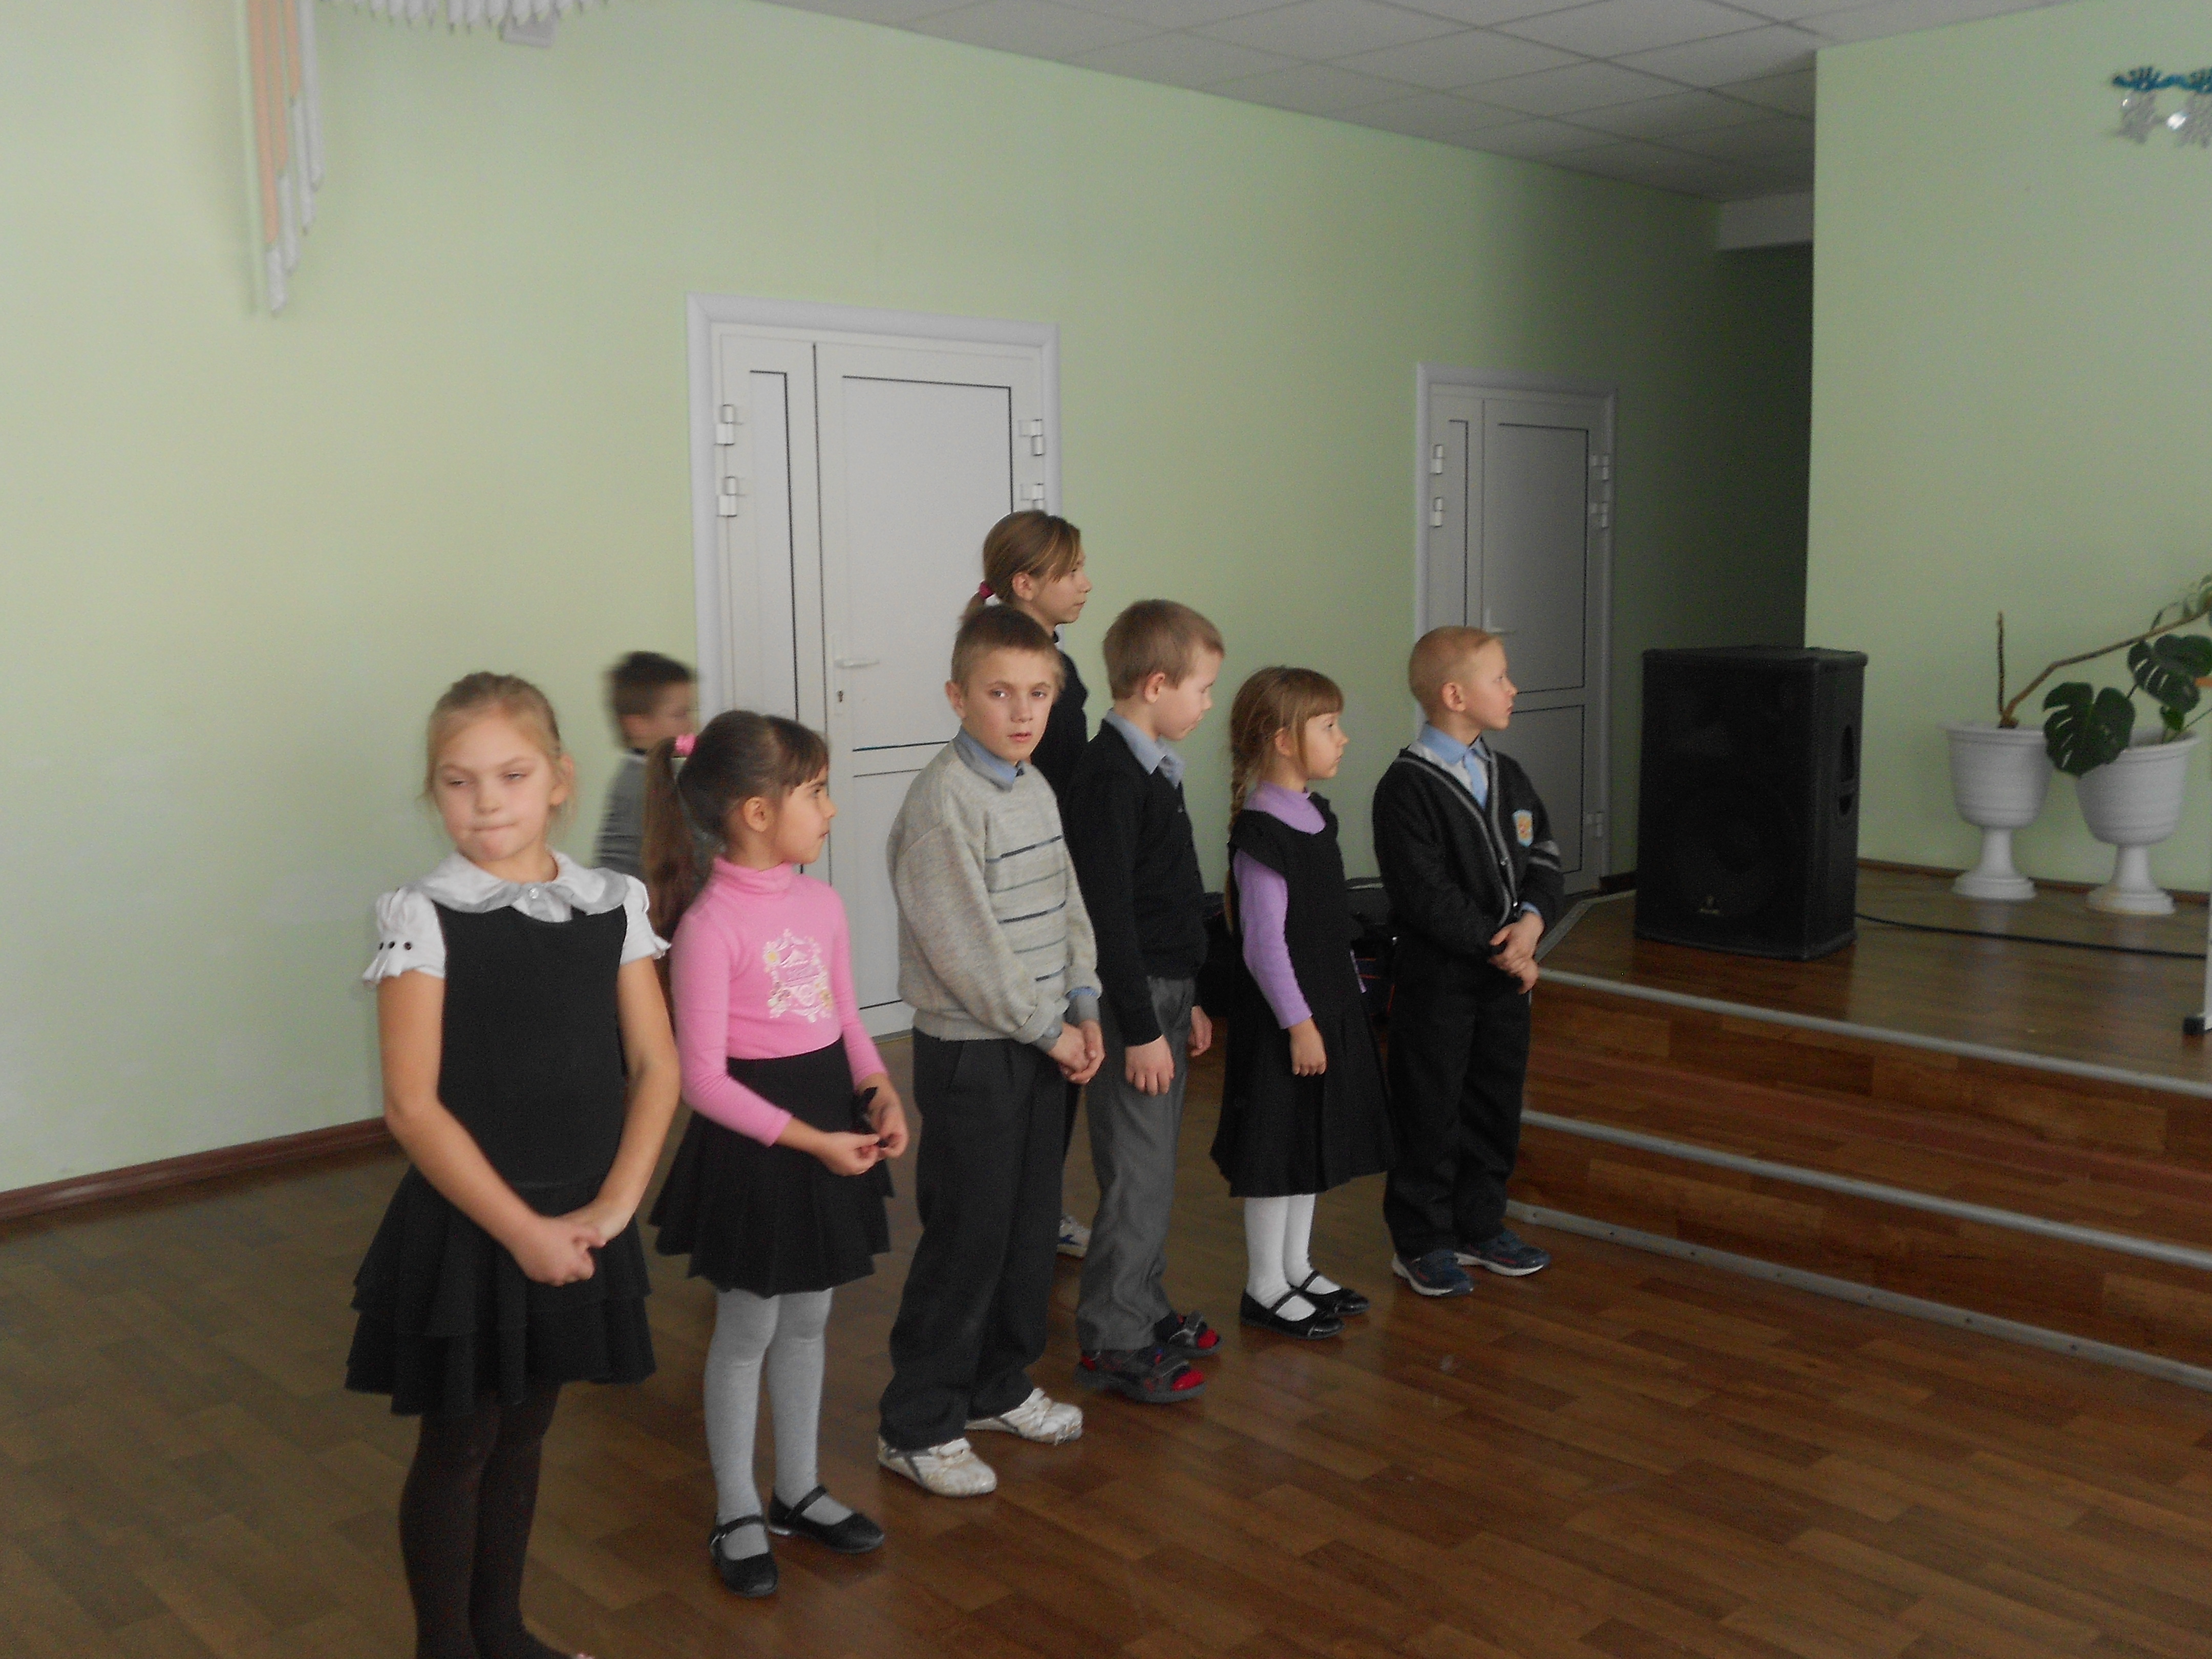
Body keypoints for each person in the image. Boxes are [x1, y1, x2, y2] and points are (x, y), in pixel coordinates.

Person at [350, 672, 680, 1659]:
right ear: (434, 791)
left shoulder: (612, 903)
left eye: (511, 775)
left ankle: (502, 1634)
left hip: (580, 1219)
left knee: (527, 1432)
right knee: (462, 1444)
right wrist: (524, 1233)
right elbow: (412, 1107)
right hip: (476, 1226)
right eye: (458, 782)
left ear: (559, 781)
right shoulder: (424, 916)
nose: (486, 802)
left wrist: (614, 1206)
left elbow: (657, 1066)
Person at [640, 712, 909, 1598]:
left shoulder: (820, 904)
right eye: (816, 793)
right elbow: (701, 1080)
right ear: (757, 813)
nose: (830, 810)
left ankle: (797, 1489)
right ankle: (736, 1509)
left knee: (809, 1319)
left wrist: (878, 1087)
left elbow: (845, 1020)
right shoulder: (710, 926)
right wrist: (813, 1141)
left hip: (828, 1123)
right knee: (748, 1328)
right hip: (759, 1149)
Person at [876, 604, 1104, 1496]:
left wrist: (1083, 1003)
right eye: (1000, 692)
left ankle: (996, 1388)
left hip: (1046, 1041)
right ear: (957, 696)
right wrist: (1051, 1029)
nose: (1022, 711)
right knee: (968, 1239)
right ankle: (917, 1423)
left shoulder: (1032, 784)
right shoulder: (943, 805)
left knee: (1026, 1229)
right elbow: (968, 953)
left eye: (1039, 693)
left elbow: (1069, 903)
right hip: (977, 1053)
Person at [1065, 601, 1226, 1403]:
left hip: (1166, 995)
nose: (1208, 704)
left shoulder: (1156, 767)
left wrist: (1188, 999)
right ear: (1157, 684)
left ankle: (1144, 1303)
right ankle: (1113, 1338)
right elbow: (1110, 918)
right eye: (1202, 688)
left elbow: (1168, 898)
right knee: (1134, 1173)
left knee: (1156, 1169)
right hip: (1134, 1007)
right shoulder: (1109, 778)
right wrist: (1139, 1027)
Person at [1373, 627, 1564, 1296]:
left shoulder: (1508, 774)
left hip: (1504, 986)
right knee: (1431, 1109)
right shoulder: (1406, 788)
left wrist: (1533, 922)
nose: (1514, 689)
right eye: (1500, 678)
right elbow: (1427, 895)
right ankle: (1422, 1241)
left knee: (1494, 1104)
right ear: (1455, 695)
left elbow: (1545, 856)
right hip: (1440, 988)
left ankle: (1480, 1225)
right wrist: (1502, 949)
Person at [1213, 667, 1394, 1341]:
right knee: (1279, 1148)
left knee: (1309, 1141)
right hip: (1287, 1021)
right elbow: (1264, 947)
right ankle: (1264, 1285)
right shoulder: (1263, 834)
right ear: (1284, 740)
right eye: (1329, 726)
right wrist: (1300, 1024)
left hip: (1326, 1010)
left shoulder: (1317, 815)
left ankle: (1296, 1268)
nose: (1342, 738)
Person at [969, 510, 1095, 1258]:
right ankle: (1019, 1216)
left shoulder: (1053, 659)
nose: (1086, 583)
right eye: (1071, 571)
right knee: (1032, 1054)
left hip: (1057, 873)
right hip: (1030, 882)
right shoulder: (1019, 666)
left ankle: (1036, 1209)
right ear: (1025, 583)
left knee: (1057, 1063)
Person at [595, 651, 696, 879]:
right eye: (680, 715)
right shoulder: (641, 783)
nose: (691, 725)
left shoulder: (665, 771)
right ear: (638, 726)